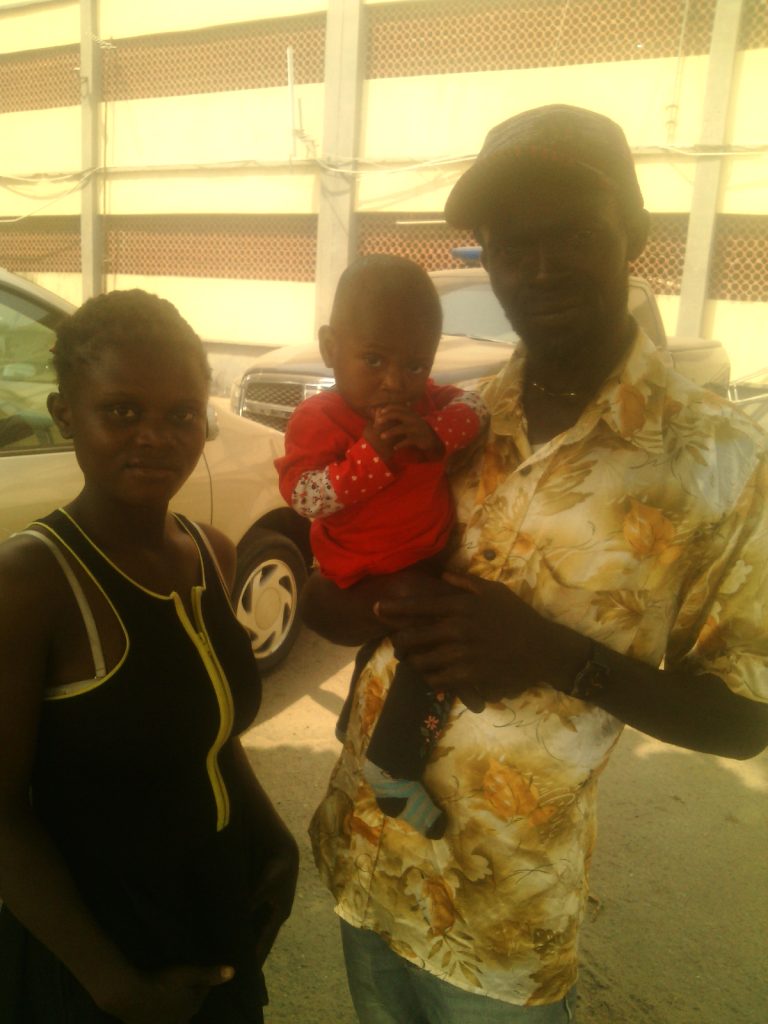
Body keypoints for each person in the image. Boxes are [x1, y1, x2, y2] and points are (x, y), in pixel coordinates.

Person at [302, 105, 768, 1023]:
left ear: (634, 235)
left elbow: (744, 720)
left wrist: (555, 656)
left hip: (500, 918)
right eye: (514, 245)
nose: (543, 268)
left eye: (575, 235)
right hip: (366, 855)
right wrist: (365, 601)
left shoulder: (723, 463)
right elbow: (335, 587)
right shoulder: (448, 420)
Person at [0, 289, 299, 1023]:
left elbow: (209, 736)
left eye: (181, 415)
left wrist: (274, 842)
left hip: (214, 904)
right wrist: (115, 987)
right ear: (66, 414)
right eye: (122, 411)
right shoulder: (32, 582)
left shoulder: (210, 553)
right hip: (94, 946)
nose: (156, 437)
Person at [276, 254, 487, 839]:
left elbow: (476, 407)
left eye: (415, 364)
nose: (395, 381)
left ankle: (358, 724)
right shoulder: (318, 418)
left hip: (423, 557)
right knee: (434, 649)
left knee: (392, 653)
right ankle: (394, 765)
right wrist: (371, 458)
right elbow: (305, 497)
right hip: (369, 572)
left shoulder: (426, 406)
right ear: (330, 348)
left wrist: (436, 435)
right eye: (374, 360)